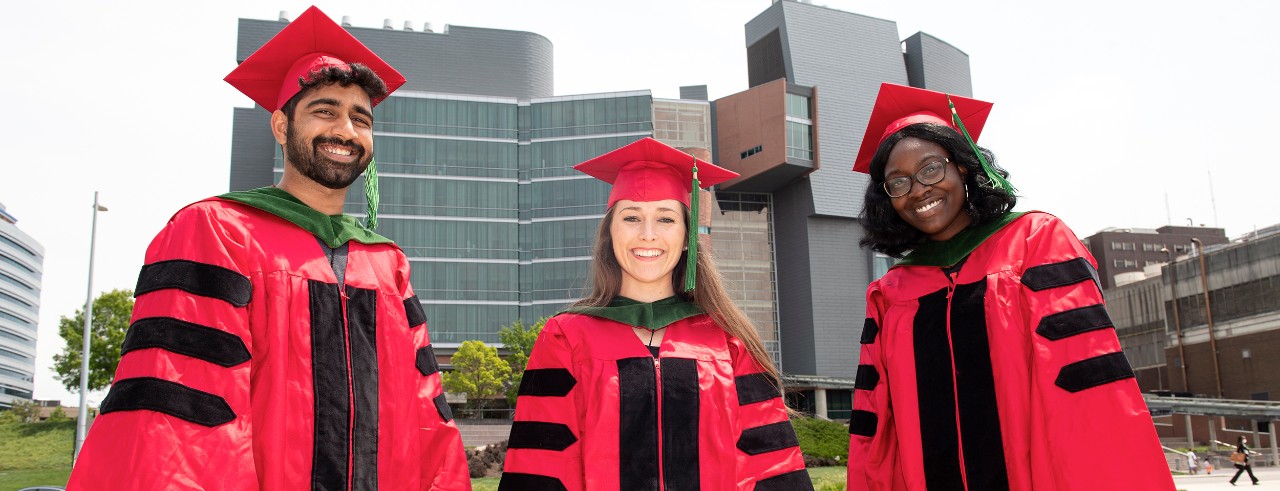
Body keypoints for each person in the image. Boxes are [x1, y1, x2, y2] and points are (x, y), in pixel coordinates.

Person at [67, 7, 469, 490]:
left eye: (360, 119)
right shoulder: (215, 230)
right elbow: (182, 423)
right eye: (324, 111)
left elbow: (429, 418)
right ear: (281, 125)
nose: (345, 130)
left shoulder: (387, 264)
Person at [845, 83, 1174, 490]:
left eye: (931, 169)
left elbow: (1090, 390)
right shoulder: (890, 293)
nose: (919, 190)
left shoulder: (1037, 243)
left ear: (963, 167)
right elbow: (875, 429)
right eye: (899, 183)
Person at [498, 137, 813, 490]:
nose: (648, 235)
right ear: (610, 232)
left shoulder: (728, 341)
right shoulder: (566, 338)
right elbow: (540, 466)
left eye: (666, 219)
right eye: (631, 217)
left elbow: (771, 468)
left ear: (685, 237)